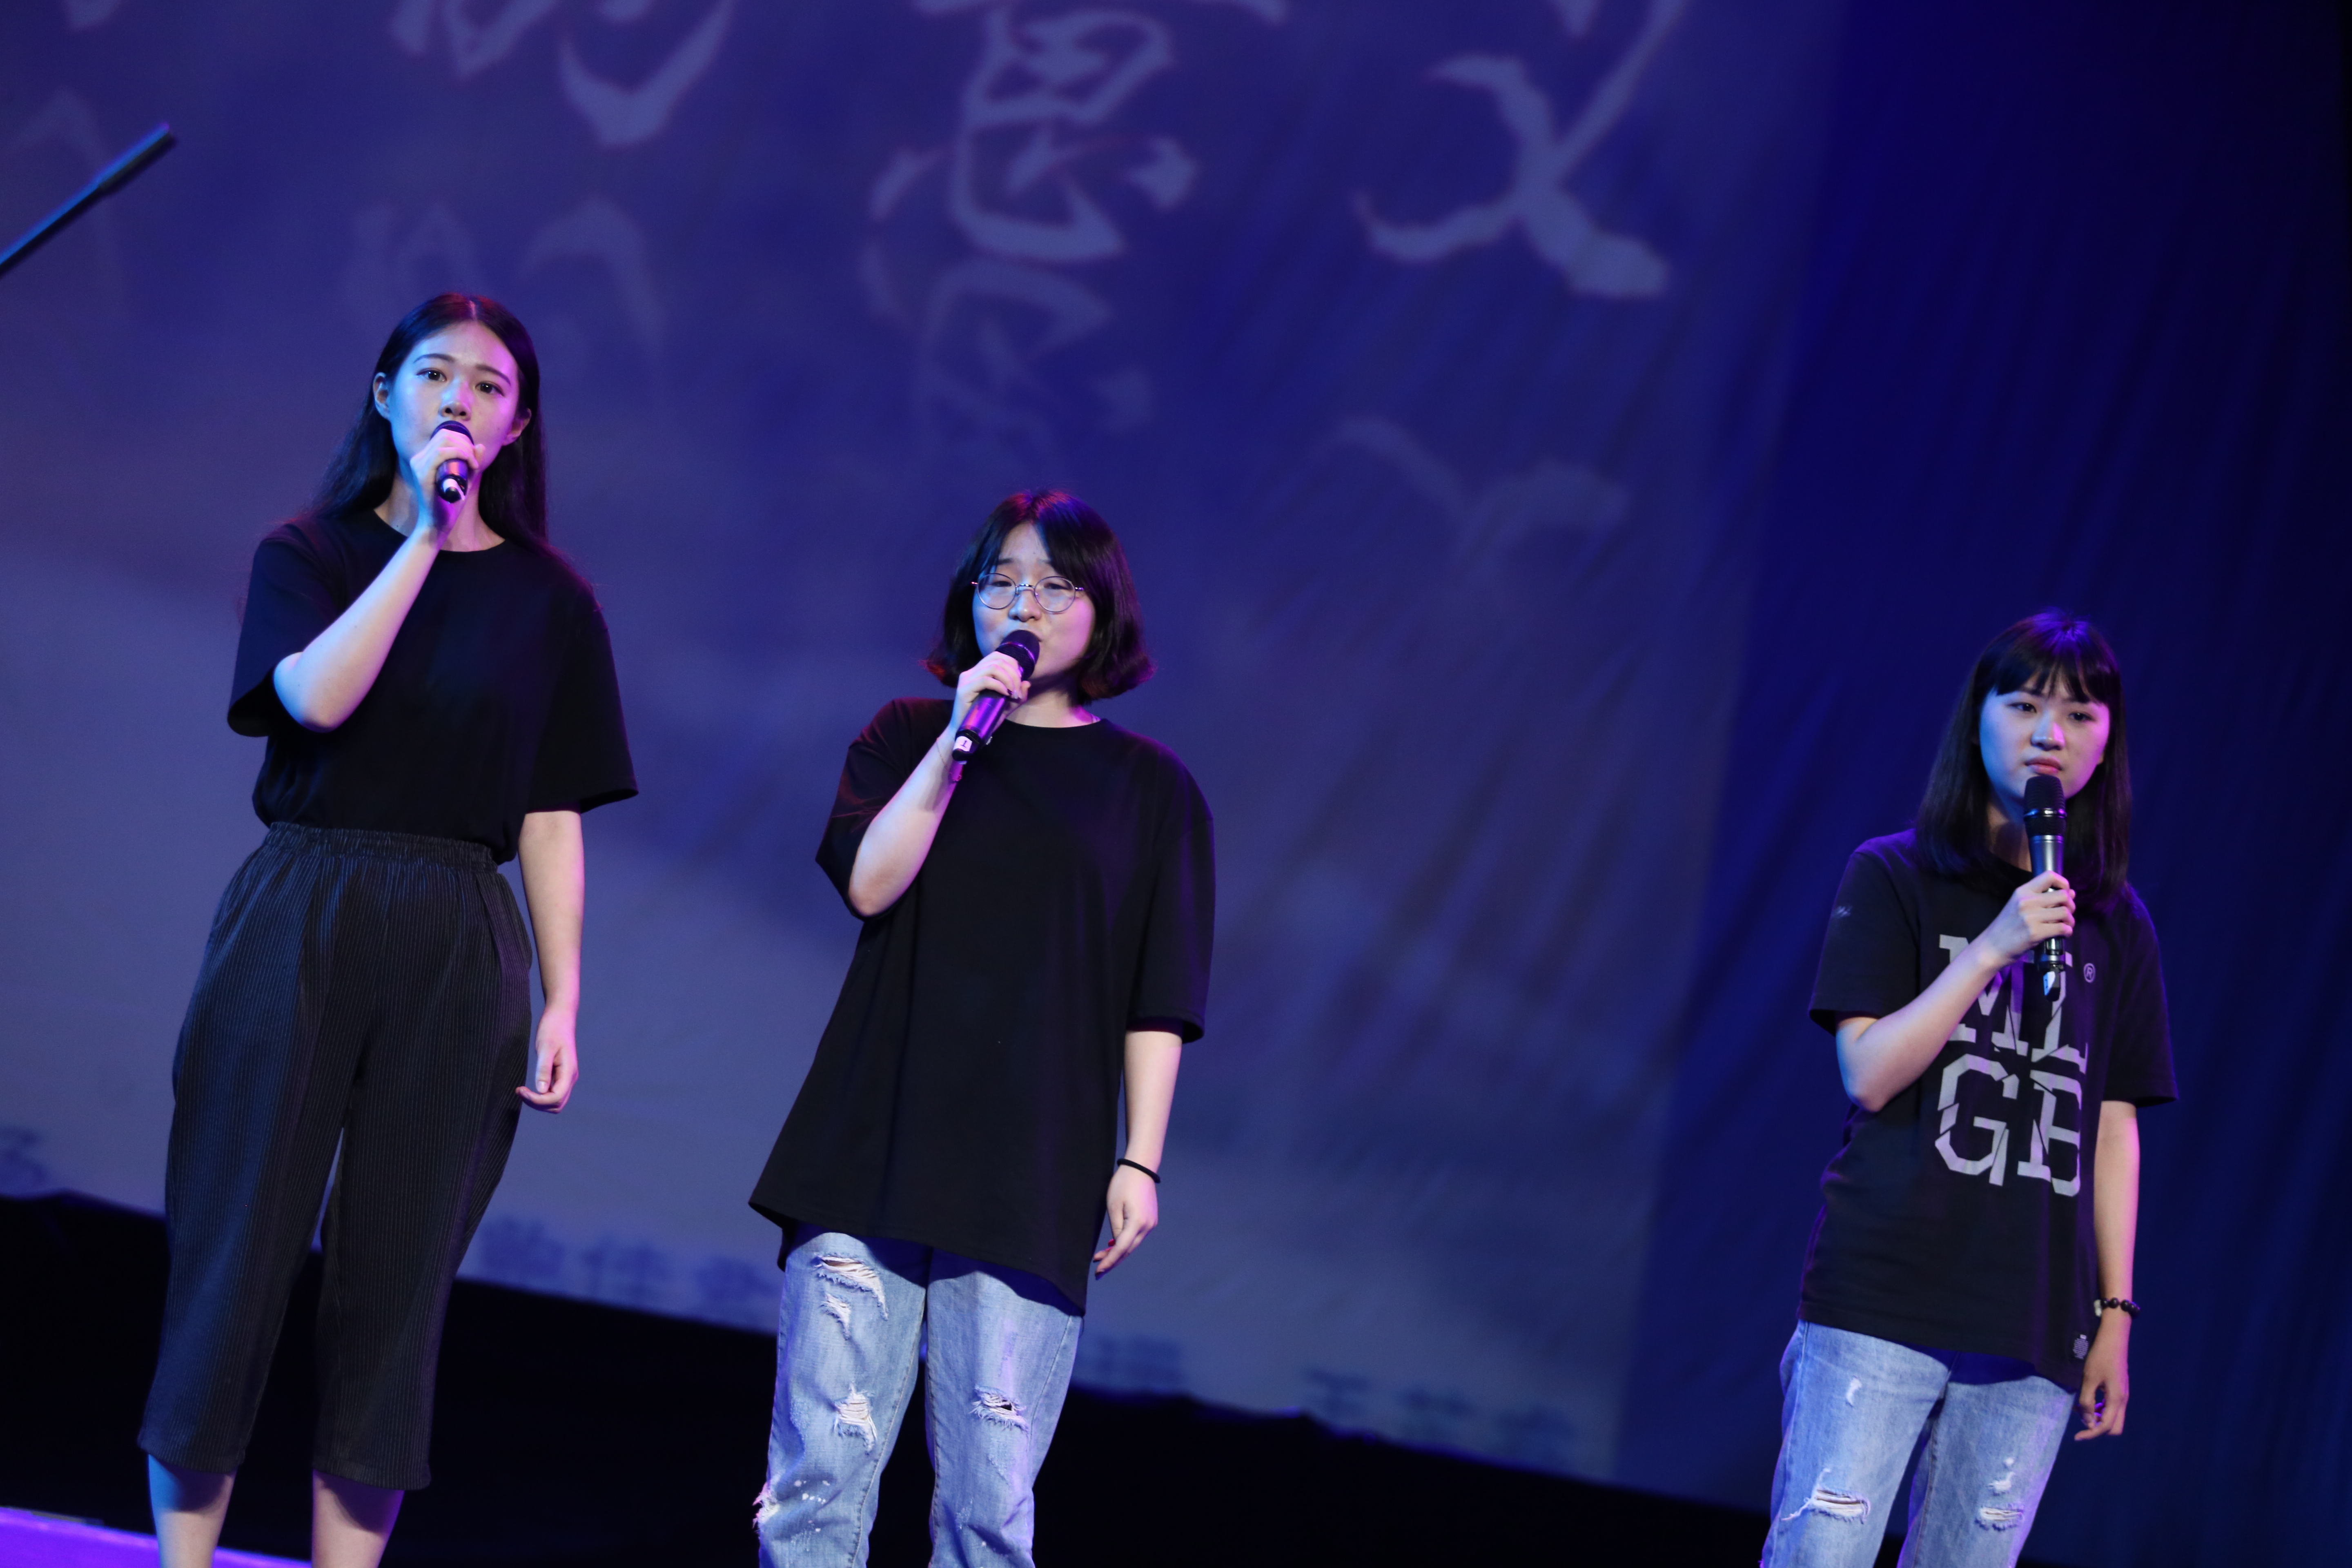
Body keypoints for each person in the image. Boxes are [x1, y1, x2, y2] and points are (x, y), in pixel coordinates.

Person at [139, 294, 637, 1568]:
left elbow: (551, 813)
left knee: (397, 1295)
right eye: (434, 374)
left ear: (519, 426)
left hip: (459, 929)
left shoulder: (553, 604)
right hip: (304, 901)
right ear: (385, 394)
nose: (459, 398)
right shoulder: (307, 552)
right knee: (232, 1257)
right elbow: (314, 699)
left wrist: (566, 996)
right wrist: (423, 536)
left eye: (489, 385)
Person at [748, 490, 1214, 1568]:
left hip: (1029, 1170)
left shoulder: (1153, 792)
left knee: (987, 1511)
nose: (1024, 606)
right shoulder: (906, 736)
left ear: (1103, 608)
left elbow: (1160, 997)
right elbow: (870, 885)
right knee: (816, 1482)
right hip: (870, 1146)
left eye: (1055, 586)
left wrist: (1140, 1159)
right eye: (1001, 582)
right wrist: (958, 742)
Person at [1760, 611, 2176, 1567]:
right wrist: (1993, 947)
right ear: (1978, 717)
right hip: (1884, 1296)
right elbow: (1869, 1075)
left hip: (2033, 1318)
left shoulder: (2118, 925)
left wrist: (2115, 1314)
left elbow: (2112, 1128)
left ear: (2107, 740)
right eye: (2024, 705)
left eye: (2079, 714)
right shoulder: (1895, 875)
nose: (2050, 734)